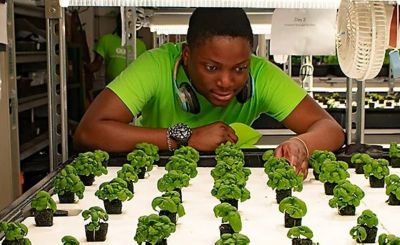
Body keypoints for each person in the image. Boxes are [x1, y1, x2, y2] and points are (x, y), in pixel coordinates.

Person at [74, 8, 345, 178]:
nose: (226, 81)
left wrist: (303, 144)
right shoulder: (155, 65)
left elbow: (329, 129)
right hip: (153, 180)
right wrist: (186, 138)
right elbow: (89, 132)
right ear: (187, 55)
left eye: (239, 68)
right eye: (211, 67)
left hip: (230, 182)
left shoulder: (261, 74)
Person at [85, 13, 147, 86]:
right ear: (118, 21)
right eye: (123, 21)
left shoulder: (141, 45)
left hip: (133, 89)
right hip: (112, 89)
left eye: (129, 22)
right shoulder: (106, 40)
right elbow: (96, 65)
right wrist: (84, 68)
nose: (126, 25)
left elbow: (144, 71)